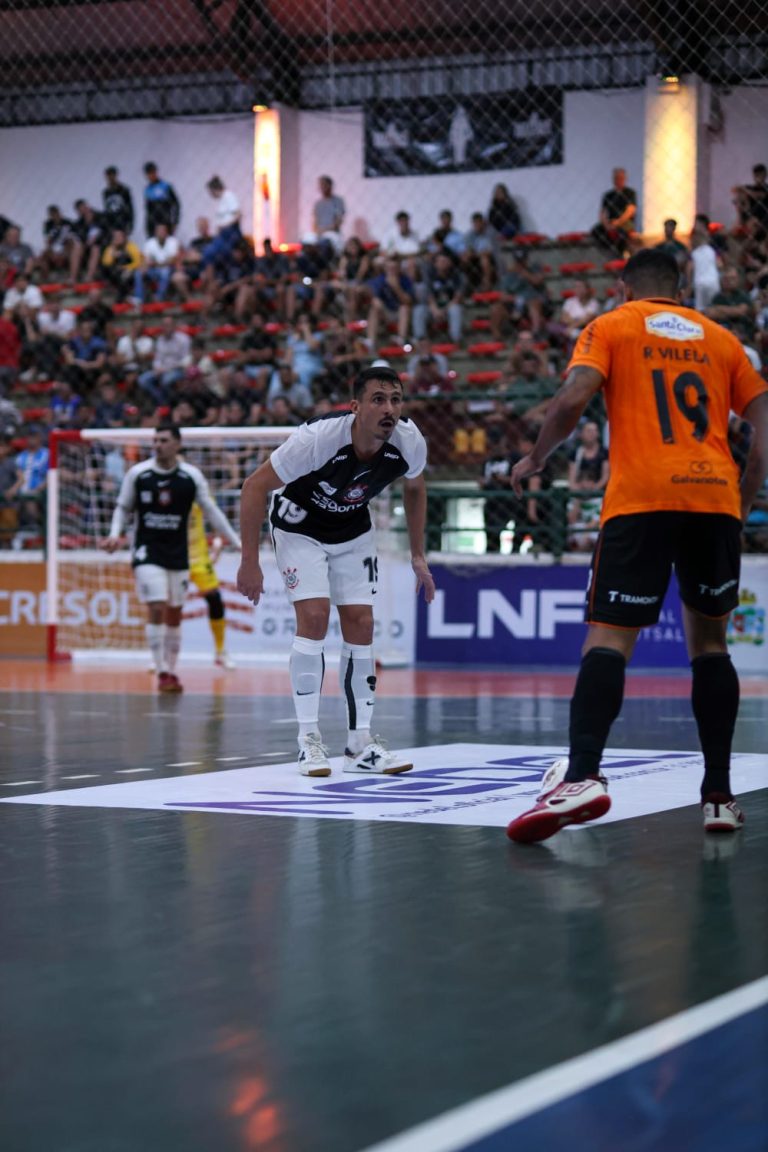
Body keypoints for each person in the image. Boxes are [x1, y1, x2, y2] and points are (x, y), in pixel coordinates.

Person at [505, 248, 768, 844]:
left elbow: (573, 398)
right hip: (714, 501)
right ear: (681, 288)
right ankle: (720, 798)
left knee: (609, 639)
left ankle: (583, 775)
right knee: (710, 644)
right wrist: (742, 496)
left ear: (625, 285)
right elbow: (762, 427)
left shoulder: (613, 326)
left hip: (642, 499)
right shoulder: (722, 339)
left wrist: (537, 456)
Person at [237, 365, 435, 777]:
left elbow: (415, 487)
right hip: (298, 527)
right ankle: (307, 740)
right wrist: (249, 561)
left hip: (352, 529)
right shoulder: (318, 439)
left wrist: (418, 555)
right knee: (313, 616)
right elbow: (255, 486)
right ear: (356, 407)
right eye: (379, 399)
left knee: (362, 625)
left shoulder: (409, 442)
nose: (389, 409)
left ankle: (360, 745)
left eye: (396, 400)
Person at [101, 423, 241, 694]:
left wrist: (237, 543)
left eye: (163, 440)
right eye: (154, 440)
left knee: (175, 613)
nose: (157, 445)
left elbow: (212, 512)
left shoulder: (190, 477)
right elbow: (123, 507)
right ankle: (162, 669)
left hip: (180, 554)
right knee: (157, 605)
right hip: (147, 551)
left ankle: (172, 669)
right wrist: (115, 534)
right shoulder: (138, 474)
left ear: (177, 444)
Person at [591, 167, 637, 257]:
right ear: (613, 180)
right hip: (610, 222)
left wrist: (618, 222)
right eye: (616, 178)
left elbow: (630, 211)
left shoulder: (630, 193)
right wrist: (607, 225)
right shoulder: (608, 195)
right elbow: (602, 213)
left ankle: (622, 253)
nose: (619, 180)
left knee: (623, 232)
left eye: (621, 178)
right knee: (596, 231)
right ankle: (608, 250)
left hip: (624, 222)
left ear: (625, 179)